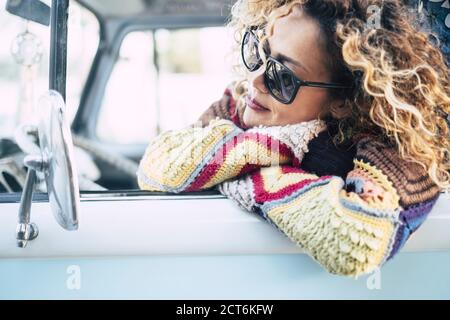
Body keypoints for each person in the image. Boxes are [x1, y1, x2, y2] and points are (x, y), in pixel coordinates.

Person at [138, 0, 449, 277]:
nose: (256, 80)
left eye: (283, 76)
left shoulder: (395, 151)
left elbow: (357, 240)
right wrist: (266, 150)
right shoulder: (240, 104)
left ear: (342, 102)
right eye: (259, 53)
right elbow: (156, 166)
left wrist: (247, 172)